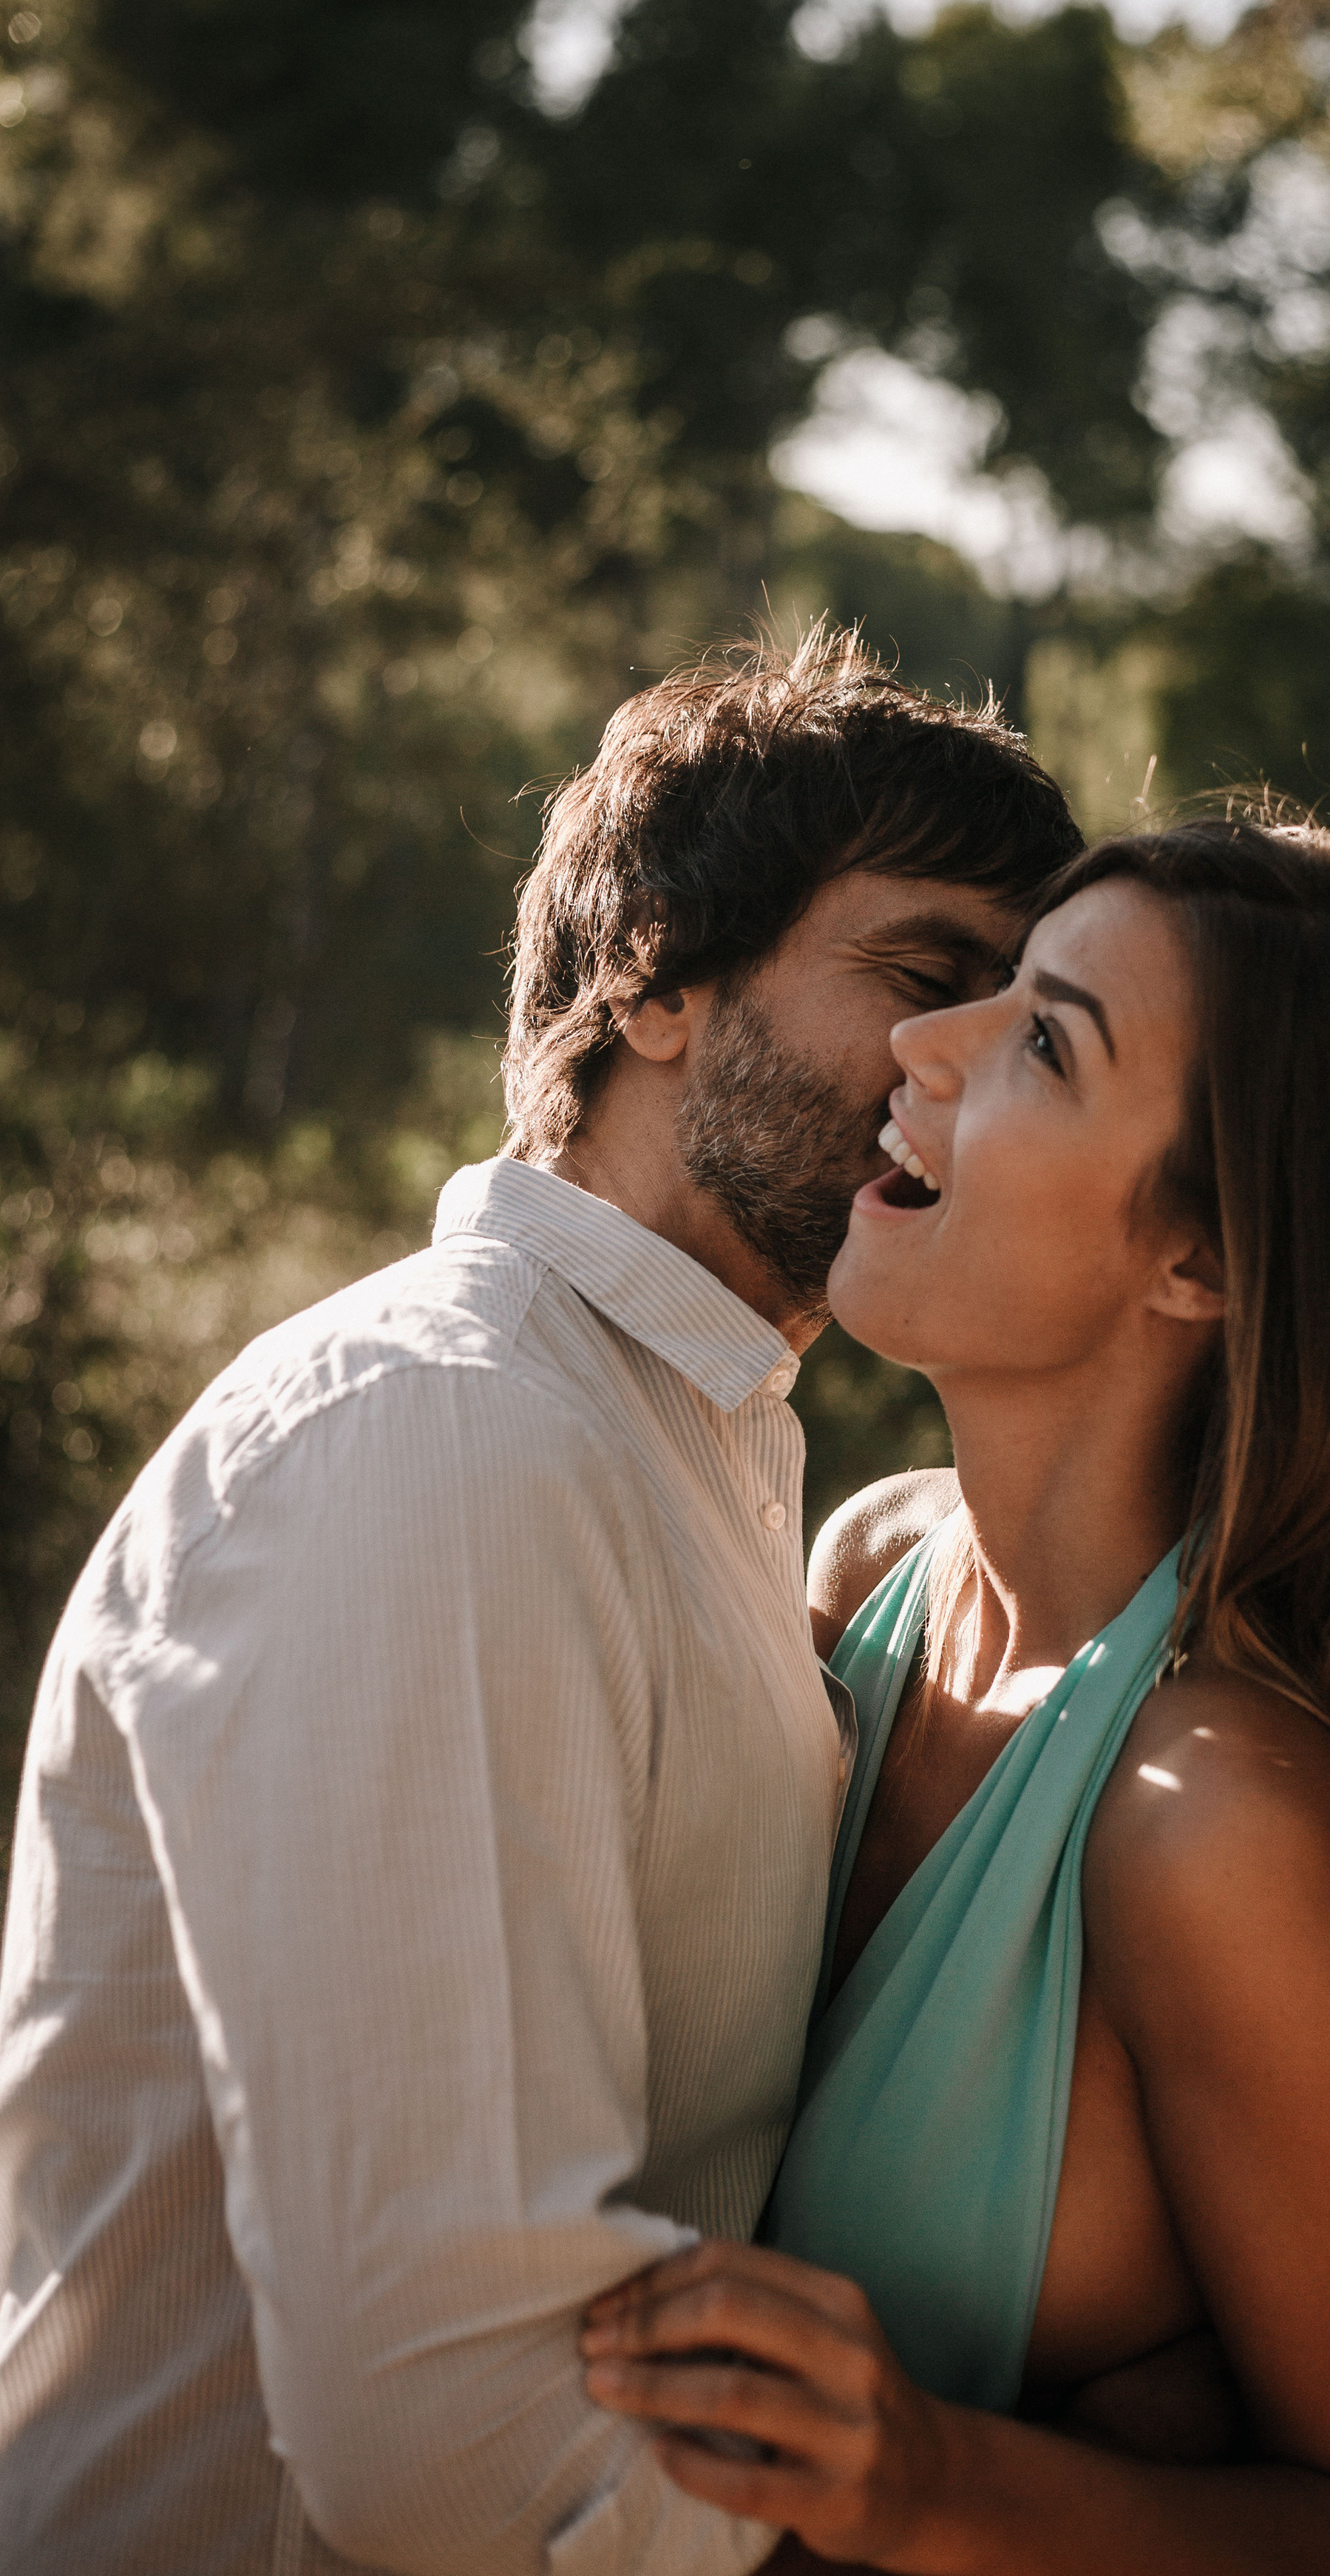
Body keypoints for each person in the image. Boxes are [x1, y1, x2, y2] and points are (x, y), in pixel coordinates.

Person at [0, 626, 1080, 2576]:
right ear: (656, 970)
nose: (962, 1075)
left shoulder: (700, 1445)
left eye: (1020, 1026)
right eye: (925, 980)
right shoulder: (450, 1439)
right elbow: (455, 2438)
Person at [579, 805, 1330, 2576]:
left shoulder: (1212, 1825)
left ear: (1208, 1258)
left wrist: (930, 2484)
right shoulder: (863, 1571)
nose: (917, 1047)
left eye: (1040, 1037)